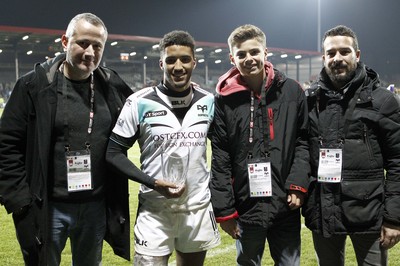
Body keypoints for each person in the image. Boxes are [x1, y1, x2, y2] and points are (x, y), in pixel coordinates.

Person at [0, 13, 133, 265]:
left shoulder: (111, 85)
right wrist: (20, 202)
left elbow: (144, 116)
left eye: (97, 46)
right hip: (49, 207)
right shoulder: (32, 86)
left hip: (95, 205)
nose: (90, 52)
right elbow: (6, 145)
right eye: (83, 43)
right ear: (64, 41)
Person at [106, 30, 220, 266]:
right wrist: (153, 183)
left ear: (194, 62)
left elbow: (224, 150)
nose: (178, 66)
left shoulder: (208, 101)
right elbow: (113, 153)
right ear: (161, 63)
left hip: (196, 209)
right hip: (154, 211)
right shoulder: (138, 102)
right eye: (170, 60)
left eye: (185, 59)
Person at [209, 24, 310, 266]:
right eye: (241, 54)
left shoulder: (292, 91)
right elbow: (220, 156)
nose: (249, 58)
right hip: (246, 206)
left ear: (266, 53)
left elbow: (303, 141)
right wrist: (225, 211)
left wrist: (298, 184)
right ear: (232, 58)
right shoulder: (224, 101)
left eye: (254, 52)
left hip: (285, 203)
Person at [302, 25, 400, 266]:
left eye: (344, 52)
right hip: (324, 211)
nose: (338, 58)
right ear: (323, 58)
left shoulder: (383, 101)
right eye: (331, 53)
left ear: (357, 55)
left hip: (370, 214)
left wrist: (394, 218)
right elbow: (302, 151)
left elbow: (397, 163)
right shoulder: (310, 100)